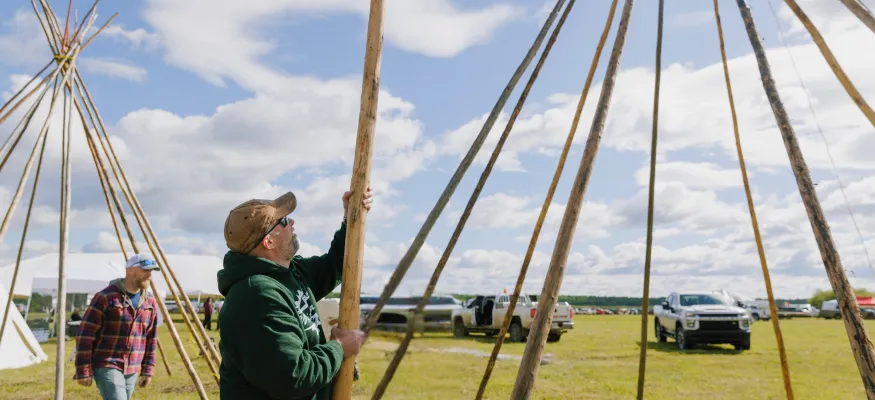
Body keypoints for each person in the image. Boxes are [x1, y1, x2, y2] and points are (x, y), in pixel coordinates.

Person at [217, 187, 372, 399]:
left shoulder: (291, 273)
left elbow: (336, 264)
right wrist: (339, 347)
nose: (291, 222)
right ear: (268, 241)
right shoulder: (255, 296)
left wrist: (350, 217)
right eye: (282, 221)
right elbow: (294, 376)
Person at [73, 253, 160, 400]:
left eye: (151, 271)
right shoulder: (106, 297)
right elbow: (85, 334)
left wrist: (147, 369)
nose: (149, 275)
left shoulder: (150, 302)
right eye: (145, 270)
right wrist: (83, 369)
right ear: (130, 270)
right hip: (107, 363)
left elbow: (151, 339)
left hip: (133, 366)